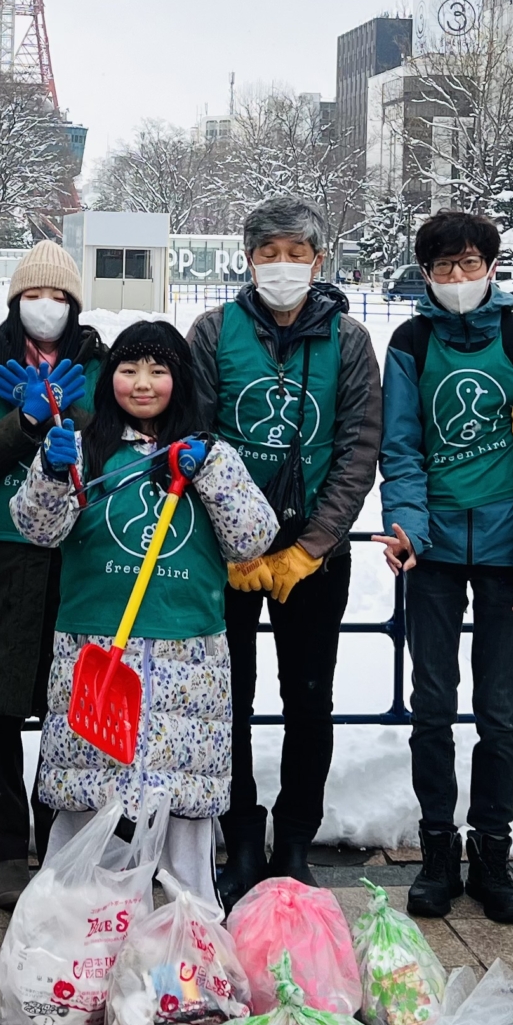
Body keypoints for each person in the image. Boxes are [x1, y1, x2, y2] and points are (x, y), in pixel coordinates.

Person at [12, 320, 278, 900]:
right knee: (91, 809)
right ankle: (74, 938)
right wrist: (53, 472)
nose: (142, 383)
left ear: (180, 381)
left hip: (189, 660)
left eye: (159, 371)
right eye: (129, 369)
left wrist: (209, 471)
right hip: (98, 655)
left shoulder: (214, 455)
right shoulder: (85, 450)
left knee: (182, 818)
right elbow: (37, 528)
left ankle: (189, 944)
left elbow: (254, 538)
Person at [186, 198, 381, 900]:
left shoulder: (350, 342)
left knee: (309, 697)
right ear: (248, 259)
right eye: (268, 253)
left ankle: (295, 836)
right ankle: (239, 834)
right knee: (226, 697)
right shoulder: (212, 331)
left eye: (296, 253)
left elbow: (359, 447)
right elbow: (197, 435)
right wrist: (233, 537)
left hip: (312, 551)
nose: (282, 266)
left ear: (318, 261)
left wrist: (316, 544)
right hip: (227, 549)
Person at [377, 209, 513, 925]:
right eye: (442, 267)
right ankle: (436, 850)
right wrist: (409, 529)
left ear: (493, 266)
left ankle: (492, 850)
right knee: (431, 707)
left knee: (499, 713)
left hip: (505, 553)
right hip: (428, 555)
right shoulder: (411, 341)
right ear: (425, 274)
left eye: (468, 264)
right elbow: (402, 447)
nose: (457, 278)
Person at [0, 241, 107, 907]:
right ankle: (10, 846)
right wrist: (27, 419)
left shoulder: (100, 367)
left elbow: (113, 444)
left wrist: (73, 417)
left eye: (60, 297)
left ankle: (60, 837)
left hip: (73, 552)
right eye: (35, 296)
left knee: (66, 707)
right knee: (0, 707)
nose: (47, 307)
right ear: (16, 301)